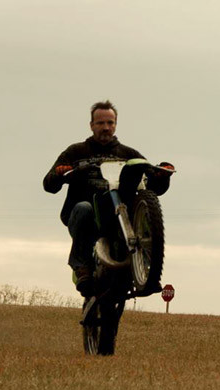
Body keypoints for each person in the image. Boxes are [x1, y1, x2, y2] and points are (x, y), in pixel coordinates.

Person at [43, 100, 173, 297]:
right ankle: (81, 267)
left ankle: (148, 272)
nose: (106, 128)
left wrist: (162, 176)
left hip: (118, 217)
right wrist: (61, 173)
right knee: (84, 208)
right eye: (101, 123)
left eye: (110, 123)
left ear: (116, 125)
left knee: (142, 214)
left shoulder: (128, 154)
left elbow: (153, 187)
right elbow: (49, 184)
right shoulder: (75, 152)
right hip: (84, 218)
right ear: (91, 125)